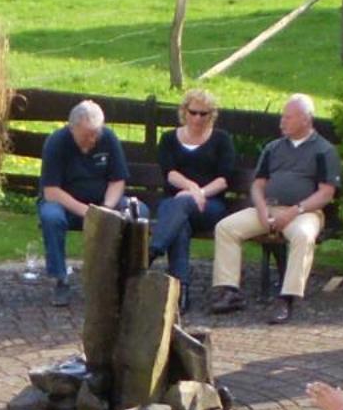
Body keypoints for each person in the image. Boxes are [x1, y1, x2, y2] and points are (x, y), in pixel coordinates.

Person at [209, 93, 340, 325]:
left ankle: (287, 297)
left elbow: (325, 193)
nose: (282, 122)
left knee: (302, 235)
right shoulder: (273, 148)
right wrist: (261, 208)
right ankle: (230, 291)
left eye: (288, 117)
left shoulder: (324, 151)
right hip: (269, 208)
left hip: (304, 213)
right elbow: (258, 184)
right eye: (282, 117)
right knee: (226, 228)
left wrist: (295, 211)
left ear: (306, 120)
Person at [38, 99, 145, 308]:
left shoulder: (108, 139)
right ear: (72, 128)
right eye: (87, 134)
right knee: (51, 216)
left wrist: (105, 208)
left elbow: (117, 180)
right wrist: (88, 212)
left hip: (102, 203)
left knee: (139, 211)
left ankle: (126, 277)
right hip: (67, 205)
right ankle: (60, 279)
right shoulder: (56, 143)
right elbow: (51, 192)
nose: (93, 139)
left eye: (96, 133)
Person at [147, 88, 236, 287]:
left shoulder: (221, 140)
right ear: (184, 111)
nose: (197, 118)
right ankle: (181, 291)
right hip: (174, 203)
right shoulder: (169, 139)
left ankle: (153, 250)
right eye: (193, 112)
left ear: (211, 115)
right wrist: (192, 188)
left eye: (203, 114)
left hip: (209, 205)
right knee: (181, 225)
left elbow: (223, 180)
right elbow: (170, 173)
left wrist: (200, 193)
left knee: (181, 206)